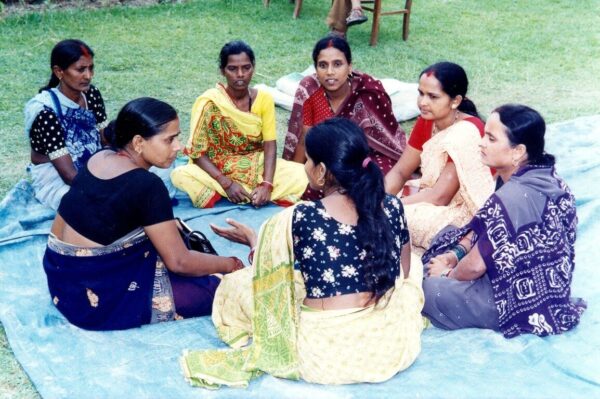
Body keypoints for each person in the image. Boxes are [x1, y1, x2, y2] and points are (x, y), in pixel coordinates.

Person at [180, 118, 424, 388]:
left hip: (325, 356)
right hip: (388, 347)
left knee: (238, 283)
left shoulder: (300, 216)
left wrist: (253, 241)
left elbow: (269, 280)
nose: (305, 167)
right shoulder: (391, 205)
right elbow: (403, 272)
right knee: (414, 262)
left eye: (307, 160)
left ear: (321, 172)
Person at [43, 98, 244, 331]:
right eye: (169, 140)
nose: (178, 147)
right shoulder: (147, 186)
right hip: (95, 301)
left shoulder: (99, 157)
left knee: (173, 235)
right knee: (221, 289)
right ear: (138, 142)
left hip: (62, 280)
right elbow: (179, 262)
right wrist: (231, 264)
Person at [422, 104, 586, 338]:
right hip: (552, 291)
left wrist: (447, 274)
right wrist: (454, 255)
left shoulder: (512, 196)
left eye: (490, 138)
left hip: (512, 302)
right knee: (447, 237)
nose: (481, 143)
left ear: (518, 151)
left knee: (428, 289)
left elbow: (475, 267)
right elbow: (488, 227)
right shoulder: (548, 179)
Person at [171, 40, 308, 208]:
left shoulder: (264, 99)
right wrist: (227, 183)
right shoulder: (208, 102)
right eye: (232, 69)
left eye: (246, 67)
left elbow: (270, 144)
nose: (240, 74)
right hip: (217, 168)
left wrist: (267, 184)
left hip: (255, 165)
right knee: (180, 174)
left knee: (305, 175)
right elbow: (197, 152)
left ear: (253, 68)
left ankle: (253, 192)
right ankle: (243, 192)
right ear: (222, 71)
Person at [384, 61, 494, 252]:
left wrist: (387, 207)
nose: (422, 102)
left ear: (455, 101)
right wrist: (380, 199)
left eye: (432, 96)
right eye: (420, 93)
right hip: (431, 196)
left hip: (463, 210)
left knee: (392, 217)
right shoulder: (426, 121)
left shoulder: (467, 132)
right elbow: (401, 171)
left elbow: (440, 196)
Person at [284, 37, 406, 175]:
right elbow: (304, 141)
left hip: (365, 160)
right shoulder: (310, 89)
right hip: (325, 164)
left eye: (337, 64)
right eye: (323, 65)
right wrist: (292, 175)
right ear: (316, 70)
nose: (330, 72)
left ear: (349, 67)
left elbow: (387, 141)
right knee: (312, 181)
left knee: (376, 177)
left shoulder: (367, 93)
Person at [24, 39, 107, 210]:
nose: (88, 76)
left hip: (92, 163)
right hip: (56, 175)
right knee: (90, 206)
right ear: (59, 71)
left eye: (91, 68)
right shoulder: (46, 111)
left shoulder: (91, 94)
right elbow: (69, 175)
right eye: (80, 69)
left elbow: (104, 139)